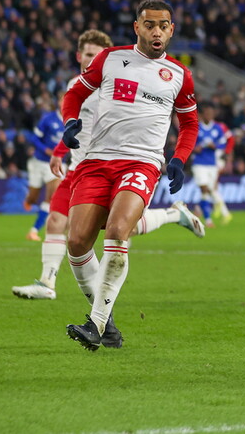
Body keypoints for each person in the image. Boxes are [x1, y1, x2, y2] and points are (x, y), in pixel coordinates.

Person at [11, 29, 205, 303]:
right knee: (56, 221)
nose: (91, 60)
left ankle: (174, 215)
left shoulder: (114, 81)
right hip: (78, 167)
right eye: (87, 55)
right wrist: (59, 150)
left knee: (122, 227)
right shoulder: (74, 85)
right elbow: (75, 125)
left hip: (107, 167)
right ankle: (48, 283)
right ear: (79, 55)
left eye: (95, 55)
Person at [60, 0, 198, 351]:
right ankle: (106, 323)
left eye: (163, 25)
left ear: (171, 30)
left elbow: (190, 123)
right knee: (76, 242)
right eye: (150, 24)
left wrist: (178, 159)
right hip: (96, 161)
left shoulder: (179, 75)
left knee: (120, 230)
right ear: (137, 27)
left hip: (141, 163)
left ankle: (95, 323)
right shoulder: (110, 58)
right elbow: (74, 94)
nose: (157, 31)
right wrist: (70, 122)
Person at [24, 94, 64, 241]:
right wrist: (45, 149)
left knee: (52, 197)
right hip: (39, 162)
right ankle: (28, 200)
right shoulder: (48, 119)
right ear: (58, 102)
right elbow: (34, 138)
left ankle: (33, 231)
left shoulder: (73, 120)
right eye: (62, 99)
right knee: (33, 197)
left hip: (57, 164)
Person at [191, 104, 233, 226]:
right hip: (199, 163)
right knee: (205, 188)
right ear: (203, 115)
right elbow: (188, 142)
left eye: (211, 113)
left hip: (212, 164)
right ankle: (213, 214)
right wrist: (195, 148)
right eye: (207, 113)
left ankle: (207, 218)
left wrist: (215, 146)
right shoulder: (196, 127)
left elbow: (223, 144)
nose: (209, 115)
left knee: (206, 192)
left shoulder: (217, 128)